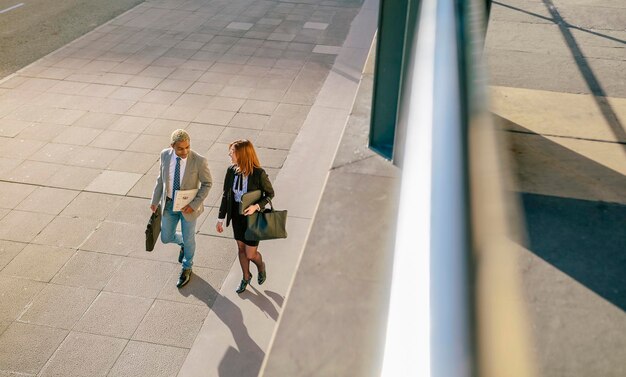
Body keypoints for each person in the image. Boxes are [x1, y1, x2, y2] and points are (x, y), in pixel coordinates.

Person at [151, 129, 212, 288]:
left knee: (189, 236)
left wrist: (193, 205)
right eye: (180, 148)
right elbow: (161, 179)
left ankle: (187, 266)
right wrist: (154, 200)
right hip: (170, 204)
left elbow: (207, 184)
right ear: (172, 146)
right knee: (166, 237)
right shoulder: (165, 155)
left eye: (187, 147)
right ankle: (183, 244)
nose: (184, 151)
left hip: (188, 208)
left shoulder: (199, 161)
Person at [216, 139, 274, 293]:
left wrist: (256, 206)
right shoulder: (231, 171)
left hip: (253, 219)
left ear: (241, 155)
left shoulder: (258, 173)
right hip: (237, 216)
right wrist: (220, 218)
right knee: (241, 248)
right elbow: (225, 196)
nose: (229, 154)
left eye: (232, 152)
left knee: (251, 253)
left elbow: (270, 194)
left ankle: (260, 266)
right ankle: (246, 277)